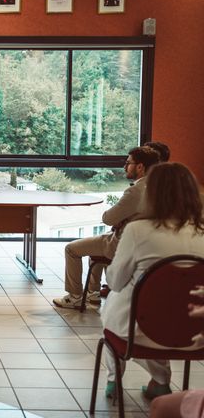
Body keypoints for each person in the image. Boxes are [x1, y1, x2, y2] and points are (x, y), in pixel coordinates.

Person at [101, 162, 204, 400]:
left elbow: (115, 281)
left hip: (140, 332)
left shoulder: (138, 230)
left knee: (125, 304)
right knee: (167, 307)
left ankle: (114, 380)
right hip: (195, 333)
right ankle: (159, 382)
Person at [53, 146, 160, 309]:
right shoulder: (160, 188)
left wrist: (119, 219)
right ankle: (93, 294)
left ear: (140, 166)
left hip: (121, 243)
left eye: (128, 163)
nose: (125, 167)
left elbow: (108, 218)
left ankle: (75, 297)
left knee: (71, 249)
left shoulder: (135, 191)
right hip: (146, 244)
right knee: (93, 245)